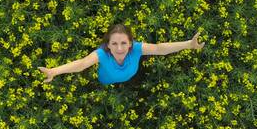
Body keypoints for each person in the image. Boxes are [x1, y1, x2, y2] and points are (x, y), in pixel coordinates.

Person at [37, 24, 205, 84]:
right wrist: (54, 71)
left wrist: (189, 45)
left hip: (130, 76)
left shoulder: (137, 49)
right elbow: (81, 64)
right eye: (114, 43)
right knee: (103, 82)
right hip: (105, 81)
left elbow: (160, 48)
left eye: (123, 43)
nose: (119, 48)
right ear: (108, 45)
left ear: (130, 43)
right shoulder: (102, 54)